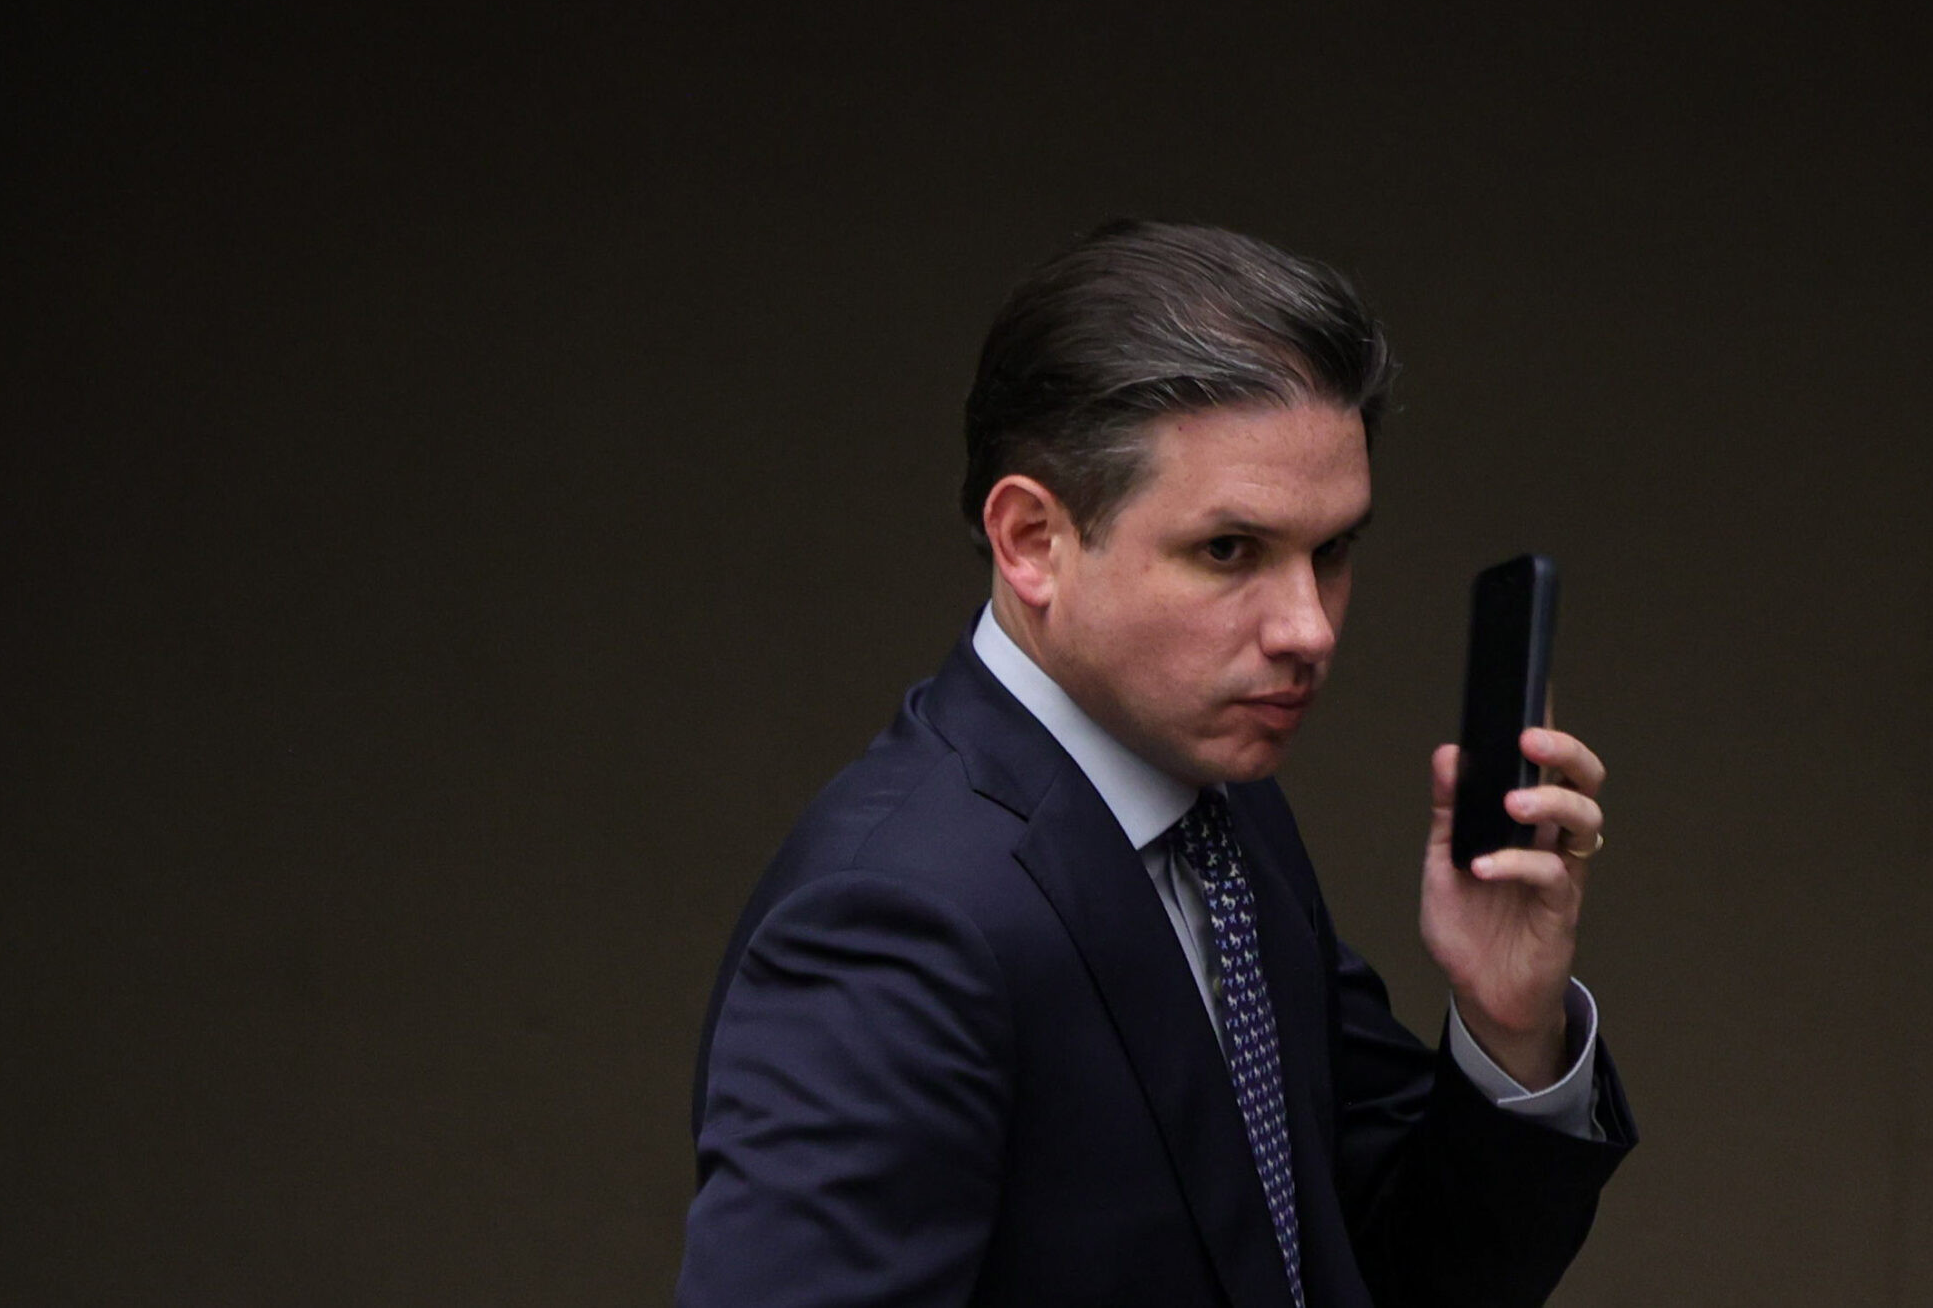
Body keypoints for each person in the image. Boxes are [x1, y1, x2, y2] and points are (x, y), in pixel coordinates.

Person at [678, 220, 1636, 1308]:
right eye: (1229, 550)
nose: (1310, 628)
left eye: (1331, 551)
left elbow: (1388, 1270)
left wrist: (1508, 1025)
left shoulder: (1223, 826)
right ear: (1031, 540)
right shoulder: (892, 922)